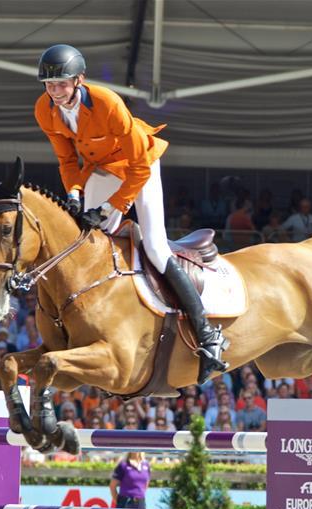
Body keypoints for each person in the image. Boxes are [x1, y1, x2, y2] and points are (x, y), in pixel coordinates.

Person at [34, 44, 227, 384]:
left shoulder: (107, 103)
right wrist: (74, 195)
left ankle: (207, 334)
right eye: (50, 85)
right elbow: (67, 161)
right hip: (102, 169)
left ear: (79, 80)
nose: (55, 91)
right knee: (87, 241)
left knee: (154, 245)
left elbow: (137, 168)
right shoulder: (44, 110)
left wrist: (111, 208)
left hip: (141, 166)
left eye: (62, 84)